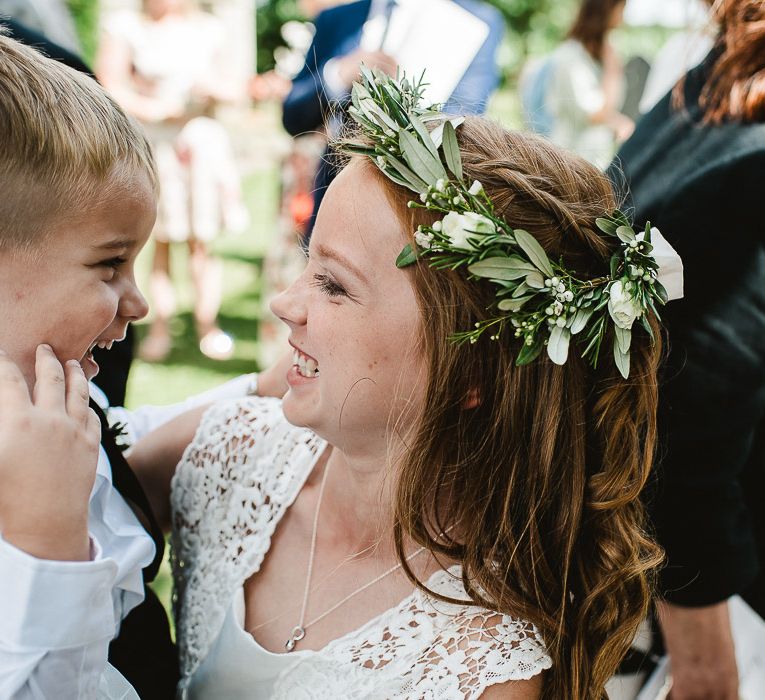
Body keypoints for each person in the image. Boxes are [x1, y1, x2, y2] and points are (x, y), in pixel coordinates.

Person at [129, 69, 683, 698]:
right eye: (308, 264)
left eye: (334, 285)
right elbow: (75, 495)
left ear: (468, 371)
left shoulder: (481, 666)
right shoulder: (233, 453)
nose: (285, 303)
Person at [0, 32, 285, 699]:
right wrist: (45, 542)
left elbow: (118, 448)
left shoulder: (52, 395)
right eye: (109, 263)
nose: (139, 301)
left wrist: (261, 390)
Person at [609, 1, 765, 697]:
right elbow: (687, 397)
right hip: (705, 600)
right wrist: (705, 661)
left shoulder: (721, 80)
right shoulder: (730, 118)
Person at [98, 0, 247, 362]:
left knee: (202, 244)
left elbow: (237, 88)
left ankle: (206, 326)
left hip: (200, 146)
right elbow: (108, 86)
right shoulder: (125, 27)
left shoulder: (210, 29)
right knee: (158, 244)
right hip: (155, 146)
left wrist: (210, 88)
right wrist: (155, 110)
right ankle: (159, 328)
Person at [282, 0, 504, 239]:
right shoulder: (338, 18)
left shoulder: (477, 23)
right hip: (332, 207)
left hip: (415, 219)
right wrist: (338, 75)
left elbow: (466, 122)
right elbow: (293, 117)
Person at [545, 0, 633, 168]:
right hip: (571, 160)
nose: (623, 18)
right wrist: (612, 71)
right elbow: (594, 114)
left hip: (595, 158)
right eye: (621, 9)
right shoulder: (571, 57)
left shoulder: (600, 55)